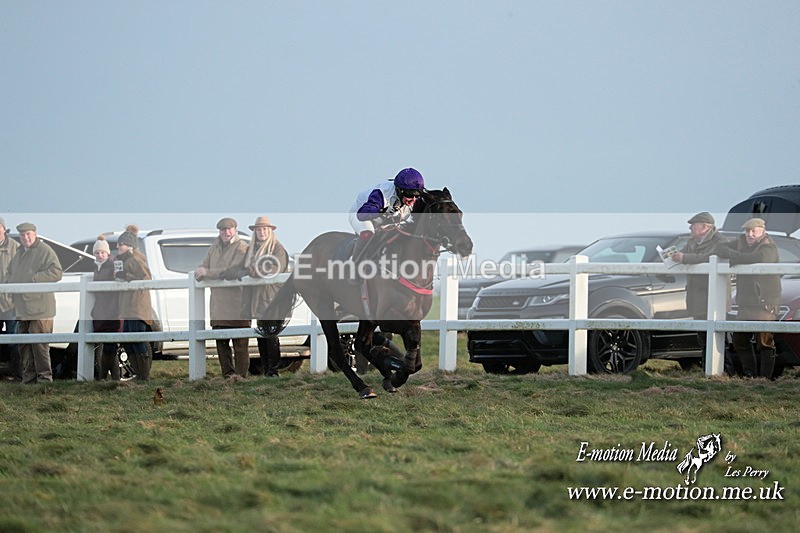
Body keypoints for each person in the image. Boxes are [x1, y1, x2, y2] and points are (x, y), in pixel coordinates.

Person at [716, 218, 781, 379]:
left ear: (762, 231)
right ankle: (750, 375)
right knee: (739, 340)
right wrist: (734, 254)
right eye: (747, 231)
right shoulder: (741, 242)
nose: (750, 234)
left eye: (754, 231)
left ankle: (765, 379)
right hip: (746, 301)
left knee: (764, 341)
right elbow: (719, 247)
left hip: (765, 301)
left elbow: (762, 258)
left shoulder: (769, 246)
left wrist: (736, 257)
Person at [7, 222, 63, 384]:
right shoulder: (18, 253)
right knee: (24, 345)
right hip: (22, 308)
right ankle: (29, 380)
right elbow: (11, 273)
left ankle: (44, 379)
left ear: (35, 234)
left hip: (40, 308)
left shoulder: (44, 250)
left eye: (28, 234)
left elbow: (56, 272)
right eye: (23, 235)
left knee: (40, 346)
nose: (25, 237)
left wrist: (35, 279)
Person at [195, 217, 250, 378]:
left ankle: (240, 377)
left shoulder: (242, 247)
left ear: (235, 230)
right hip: (218, 304)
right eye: (223, 230)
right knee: (221, 342)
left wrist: (208, 273)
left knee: (240, 343)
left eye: (229, 229)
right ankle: (227, 375)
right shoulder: (214, 247)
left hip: (237, 303)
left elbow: (232, 269)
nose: (226, 232)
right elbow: (205, 264)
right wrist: (201, 270)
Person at [239, 216, 289, 377]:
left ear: (270, 231)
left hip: (271, 296)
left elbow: (276, 267)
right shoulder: (251, 249)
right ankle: (266, 368)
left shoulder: (277, 248)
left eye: (264, 229)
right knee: (262, 333)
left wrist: (255, 269)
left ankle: (273, 370)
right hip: (257, 297)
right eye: (259, 229)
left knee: (271, 334)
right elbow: (243, 266)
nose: (261, 232)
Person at [348, 167, 425, 265]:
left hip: (384, 221)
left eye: (418, 194)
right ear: (399, 190)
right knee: (368, 234)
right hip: (361, 214)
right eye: (410, 194)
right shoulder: (382, 194)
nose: (414, 199)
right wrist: (380, 210)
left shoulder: (413, 200)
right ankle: (354, 265)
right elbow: (362, 215)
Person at [115, 225, 154, 381]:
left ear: (130, 246)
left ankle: (144, 376)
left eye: (121, 244)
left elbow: (146, 278)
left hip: (137, 305)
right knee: (129, 340)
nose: (118, 246)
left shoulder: (136, 260)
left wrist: (127, 275)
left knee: (137, 340)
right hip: (128, 306)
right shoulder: (124, 260)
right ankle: (138, 373)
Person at [672, 212, 727, 320]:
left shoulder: (721, 241)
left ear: (704, 226)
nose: (690, 227)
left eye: (693, 224)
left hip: (711, 296)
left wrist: (685, 258)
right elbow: (682, 255)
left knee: (711, 331)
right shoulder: (692, 242)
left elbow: (709, 257)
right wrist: (670, 259)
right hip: (695, 296)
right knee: (700, 329)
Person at [91, 235, 122, 380]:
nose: (99, 255)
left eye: (102, 252)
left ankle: (107, 377)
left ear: (108, 253)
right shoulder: (97, 267)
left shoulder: (113, 265)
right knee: (108, 345)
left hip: (111, 310)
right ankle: (112, 377)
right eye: (97, 252)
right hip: (102, 309)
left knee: (110, 346)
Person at [0, 217, 21, 379]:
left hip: (11, 303)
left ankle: (17, 374)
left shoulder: (16, 248)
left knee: (14, 340)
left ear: (4, 229)